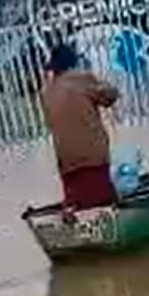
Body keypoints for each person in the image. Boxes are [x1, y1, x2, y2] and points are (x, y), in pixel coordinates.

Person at [40, 43, 121, 210]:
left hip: (66, 159)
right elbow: (110, 96)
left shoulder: (47, 92)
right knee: (102, 202)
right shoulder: (81, 79)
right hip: (91, 154)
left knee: (78, 200)